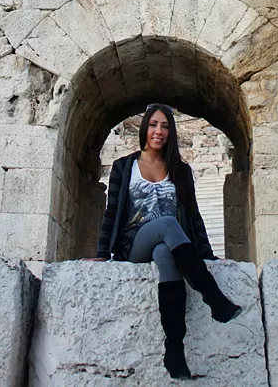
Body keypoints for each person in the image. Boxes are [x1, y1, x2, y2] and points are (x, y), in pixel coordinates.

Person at [93, 103, 241, 381]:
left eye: (165, 126)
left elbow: (194, 215)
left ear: (171, 132)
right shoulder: (124, 166)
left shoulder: (181, 171)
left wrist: (207, 253)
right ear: (144, 127)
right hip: (133, 242)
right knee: (167, 224)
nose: (158, 131)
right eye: (153, 124)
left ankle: (174, 349)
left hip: (169, 244)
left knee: (165, 254)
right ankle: (213, 297)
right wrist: (102, 253)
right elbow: (112, 211)